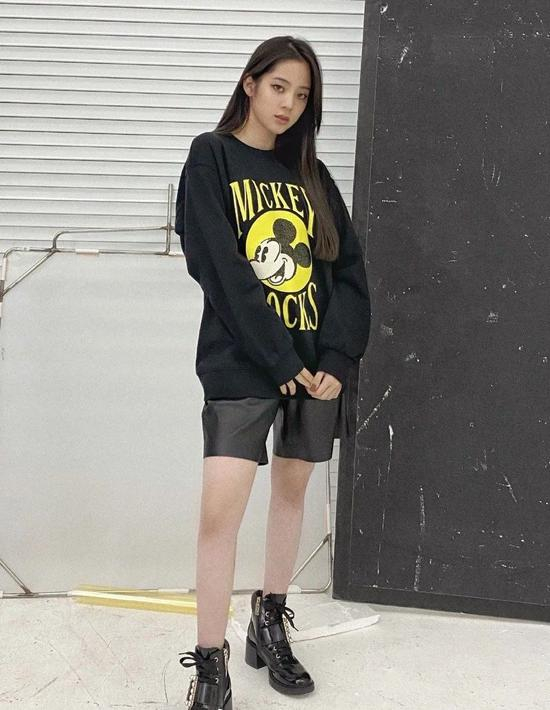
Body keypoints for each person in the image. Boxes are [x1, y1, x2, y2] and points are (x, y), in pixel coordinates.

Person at [174, 34, 371, 710]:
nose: (289, 104)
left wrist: (336, 360)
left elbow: (348, 271)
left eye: (302, 94)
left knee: (291, 496)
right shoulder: (212, 156)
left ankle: (270, 622)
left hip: (314, 372)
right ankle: (211, 666)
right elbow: (217, 265)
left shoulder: (311, 175)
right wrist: (277, 358)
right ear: (251, 83)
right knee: (219, 514)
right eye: (279, 87)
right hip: (242, 363)